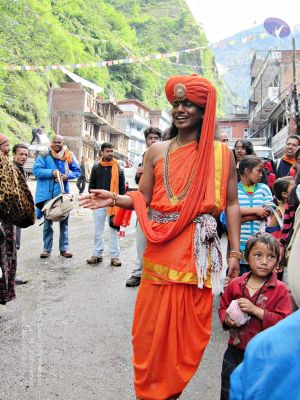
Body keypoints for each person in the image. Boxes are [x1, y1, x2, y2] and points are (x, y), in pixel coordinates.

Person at [80, 74, 241, 399]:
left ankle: (170, 392)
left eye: (188, 104)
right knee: (149, 336)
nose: (180, 110)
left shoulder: (224, 154)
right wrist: (113, 198)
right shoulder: (156, 151)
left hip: (197, 258)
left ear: (202, 109)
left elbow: (233, 203)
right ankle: (152, 393)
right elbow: (143, 198)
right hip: (160, 253)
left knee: (186, 339)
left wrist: (236, 252)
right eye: (176, 104)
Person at [219, 232, 291, 400]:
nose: (264, 262)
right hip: (234, 352)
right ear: (246, 257)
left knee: (258, 394)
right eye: (258, 255)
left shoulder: (280, 290)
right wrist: (227, 319)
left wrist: (255, 310)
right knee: (228, 392)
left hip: (265, 355)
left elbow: (283, 323)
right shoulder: (236, 284)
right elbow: (223, 306)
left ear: (277, 262)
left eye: (271, 256)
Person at [33, 135, 81, 258]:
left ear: (63, 143)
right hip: (48, 196)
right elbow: (36, 171)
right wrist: (52, 172)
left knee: (64, 223)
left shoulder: (68, 155)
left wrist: (67, 176)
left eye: (59, 142)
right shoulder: (44, 154)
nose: (57, 144)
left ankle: (64, 249)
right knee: (47, 223)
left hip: (62, 194)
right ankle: (46, 249)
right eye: (55, 142)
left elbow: (77, 171)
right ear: (51, 142)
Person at [126, 127, 162, 287]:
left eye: (156, 138)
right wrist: (139, 175)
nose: (153, 141)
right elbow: (136, 181)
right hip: (144, 205)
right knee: (141, 239)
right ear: (146, 140)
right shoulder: (141, 158)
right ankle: (139, 273)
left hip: (161, 205)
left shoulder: (164, 156)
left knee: (159, 241)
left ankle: (157, 273)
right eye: (150, 138)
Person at [86, 142, 125, 267]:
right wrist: (97, 196)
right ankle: (97, 255)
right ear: (102, 152)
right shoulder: (96, 167)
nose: (110, 153)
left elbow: (122, 190)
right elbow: (91, 187)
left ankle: (114, 256)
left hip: (114, 204)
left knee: (114, 230)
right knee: (98, 230)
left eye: (111, 151)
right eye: (107, 151)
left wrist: (120, 203)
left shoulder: (119, 168)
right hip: (99, 203)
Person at [238, 156, 274, 274]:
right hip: (240, 246)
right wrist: (256, 211)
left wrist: (241, 218)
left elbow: (270, 208)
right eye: (259, 171)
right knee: (241, 278)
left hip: (260, 245)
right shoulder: (234, 190)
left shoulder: (263, 189)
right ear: (247, 171)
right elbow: (228, 213)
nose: (261, 175)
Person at [0, 134, 17, 304]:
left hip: (6, 223)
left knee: (6, 259)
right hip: (2, 223)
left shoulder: (6, 164)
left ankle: (3, 294)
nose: (8, 149)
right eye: (6, 145)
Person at [13, 143, 30, 285]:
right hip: (10, 215)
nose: (24, 157)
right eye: (21, 154)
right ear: (14, 154)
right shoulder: (11, 169)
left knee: (14, 245)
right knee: (10, 245)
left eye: (26, 154)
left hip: (18, 215)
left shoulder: (21, 170)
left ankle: (10, 274)